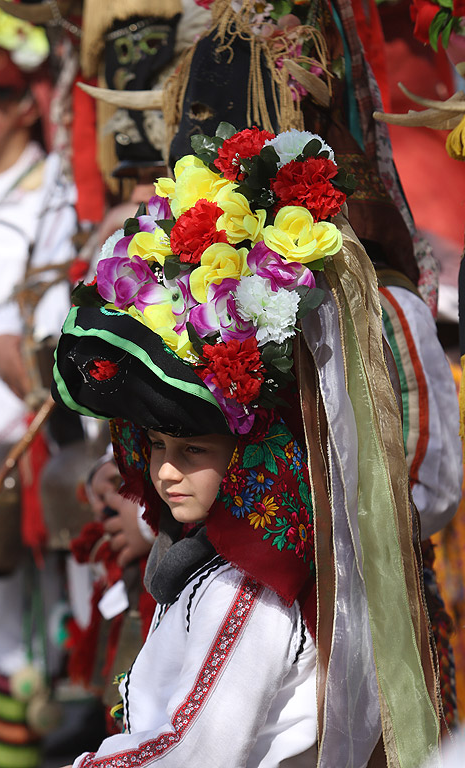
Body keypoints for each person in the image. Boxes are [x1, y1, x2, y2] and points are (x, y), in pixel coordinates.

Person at [52, 124, 442, 767]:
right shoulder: (206, 567)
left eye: (194, 451)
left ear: (249, 461)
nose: (166, 472)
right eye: (155, 445)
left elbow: (193, 749)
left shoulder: (245, 594)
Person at [0, 4, 77, 766]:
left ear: (21, 105)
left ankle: (16, 749)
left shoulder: (45, 197)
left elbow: (37, 329)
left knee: (11, 612)